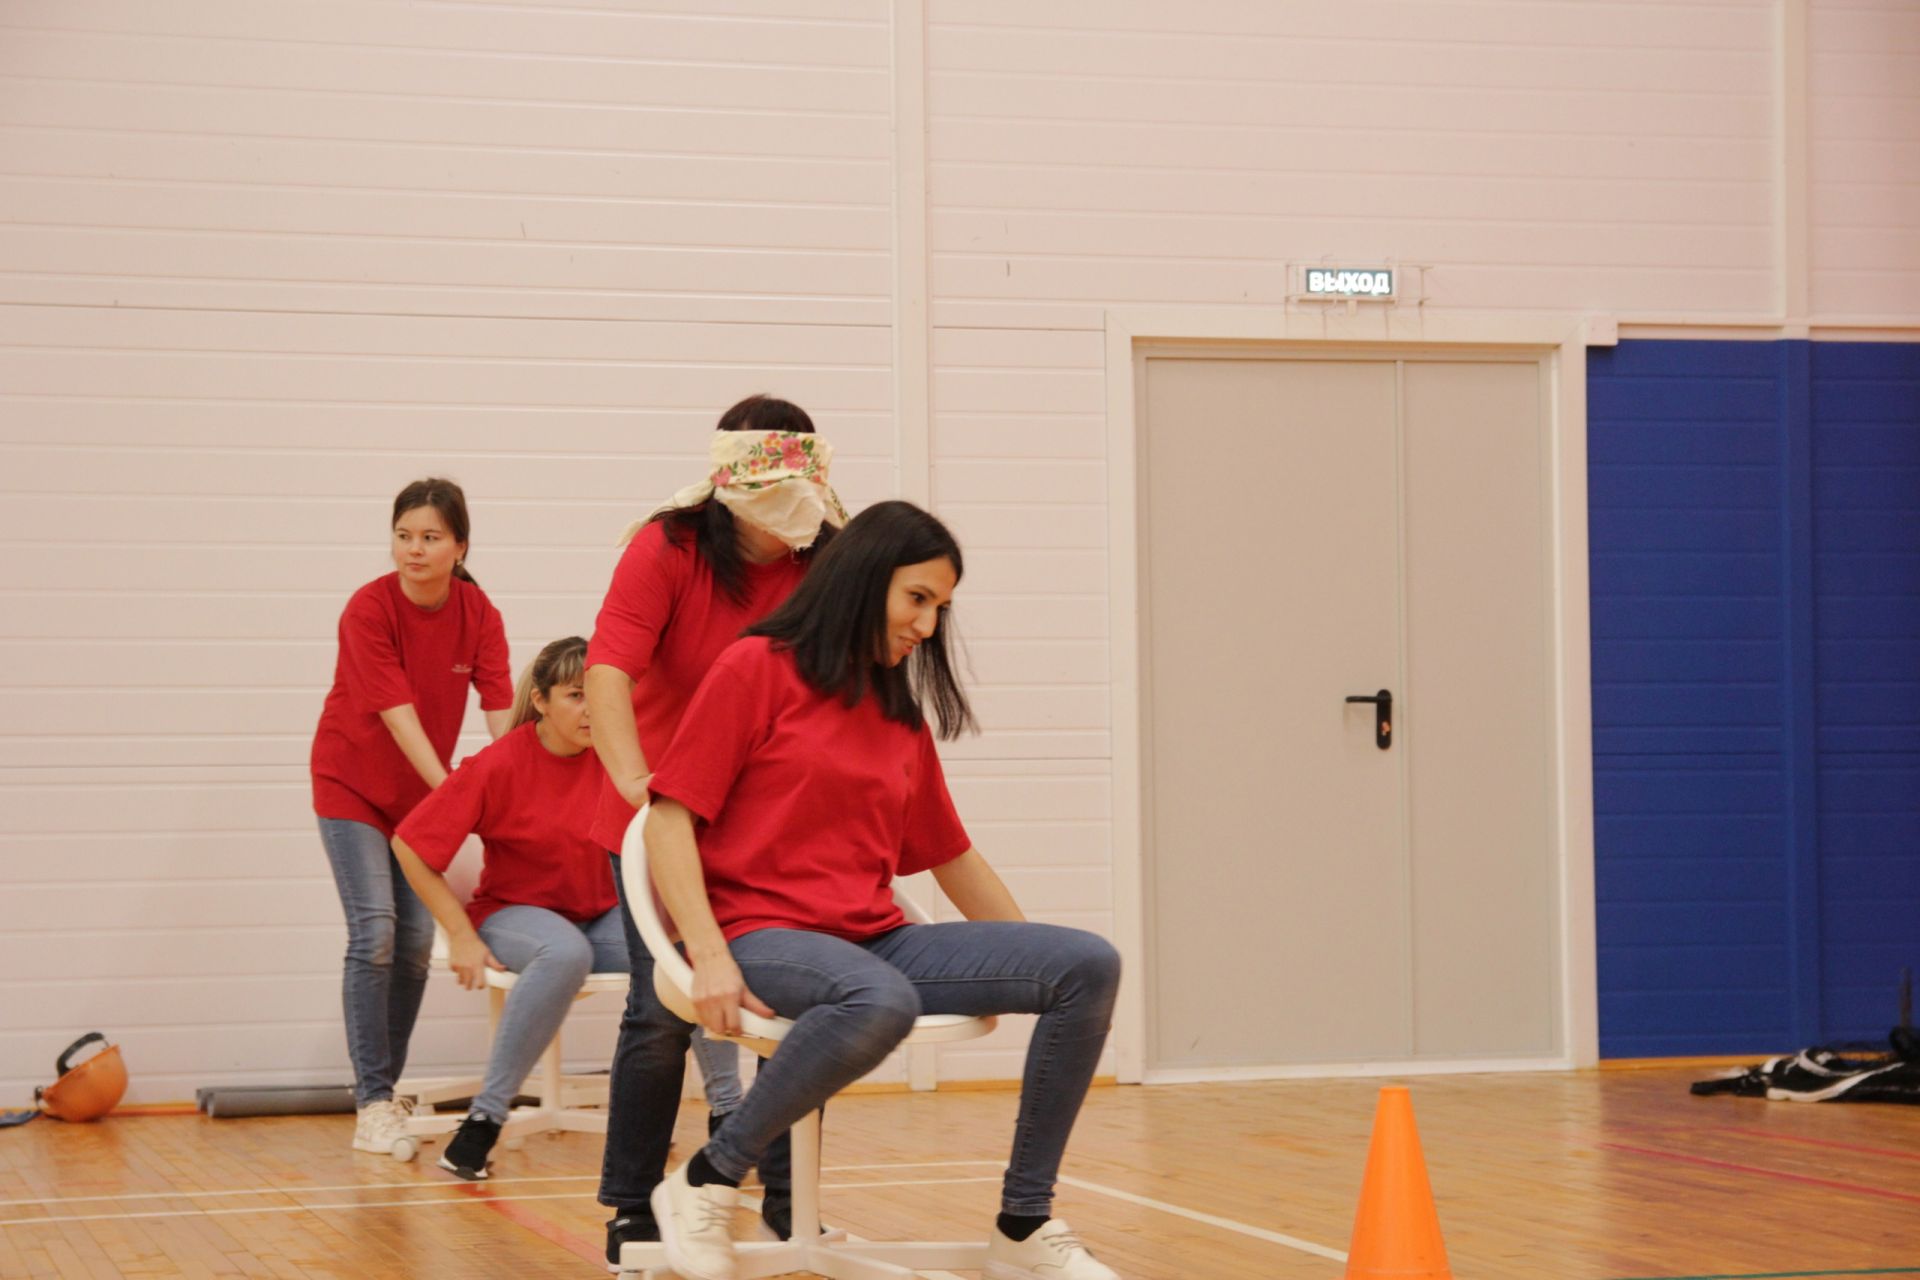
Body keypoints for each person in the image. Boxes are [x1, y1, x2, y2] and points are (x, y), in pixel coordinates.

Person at [643, 500, 1125, 1280]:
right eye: (918, 599)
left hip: (871, 939)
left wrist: (1016, 955)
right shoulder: (754, 669)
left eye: (941, 607)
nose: (928, 626)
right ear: (867, 579)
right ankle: (706, 1178)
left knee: (1086, 964)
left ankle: (1022, 1223)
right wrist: (706, 956)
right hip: (756, 936)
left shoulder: (898, 715)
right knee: (880, 998)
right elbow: (668, 820)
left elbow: (950, 855)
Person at [589, 396, 849, 1260]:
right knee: (660, 1012)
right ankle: (630, 1202)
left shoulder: (823, 556)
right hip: (664, 811)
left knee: (796, 1008)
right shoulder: (665, 547)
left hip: (770, 822)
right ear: (737, 487)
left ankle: (786, 1196)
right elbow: (609, 671)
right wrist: (636, 783)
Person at [310, 477, 513, 1156]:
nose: (413, 550)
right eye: (404, 536)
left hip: (419, 801)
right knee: (374, 932)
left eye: (430, 538)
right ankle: (371, 1103)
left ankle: (382, 1094)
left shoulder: (478, 612)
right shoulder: (368, 610)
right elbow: (398, 717)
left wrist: (522, 783)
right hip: (353, 787)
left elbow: (501, 713)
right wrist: (457, 796)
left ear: (460, 547)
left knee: (416, 949)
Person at [390, 636, 623, 1179]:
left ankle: (727, 1117)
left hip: (599, 914)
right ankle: (482, 1125)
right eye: (574, 695)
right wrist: (461, 935)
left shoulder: (618, 754)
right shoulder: (499, 763)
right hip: (515, 914)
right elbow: (410, 845)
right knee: (565, 954)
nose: (592, 708)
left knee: (686, 957)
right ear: (540, 701)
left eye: (599, 694)